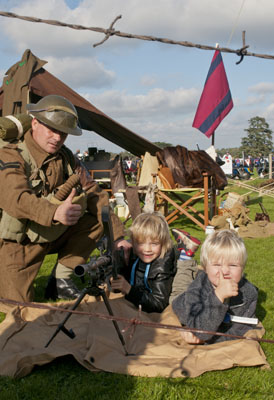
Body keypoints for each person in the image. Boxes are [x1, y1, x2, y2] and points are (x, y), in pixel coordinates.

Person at [0, 95, 130, 303]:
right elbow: (15, 198)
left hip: (52, 233)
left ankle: (61, 281)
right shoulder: (11, 154)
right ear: (35, 123)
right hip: (20, 243)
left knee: (96, 221)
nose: (57, 137)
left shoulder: (66, 158)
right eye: (52, 129)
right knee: (18, 309)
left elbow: (94, 193)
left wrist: (119, 236)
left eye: (63, 133)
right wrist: (54, 212)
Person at [172, 230, 258, 344]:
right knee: (181, 284)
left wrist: (204, 340)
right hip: (181, 301)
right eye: (217, 264)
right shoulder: (198, 287)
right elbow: (200, 328)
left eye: (233, 265)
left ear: (242, 268)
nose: (225, 271)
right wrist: (218, 296)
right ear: (205, 268)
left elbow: (239, 331)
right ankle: (185, 255)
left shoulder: (249, 293)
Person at [111, 212, 178, 313]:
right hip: (138, 302)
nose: (147, 249)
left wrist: (128, 289)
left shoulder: (162, 265)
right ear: (132, 242)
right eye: (141, 243)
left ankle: (187, 253)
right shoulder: (134, 254)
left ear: (163, 243)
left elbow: (159, 304)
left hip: (152, 308)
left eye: (154, 244)